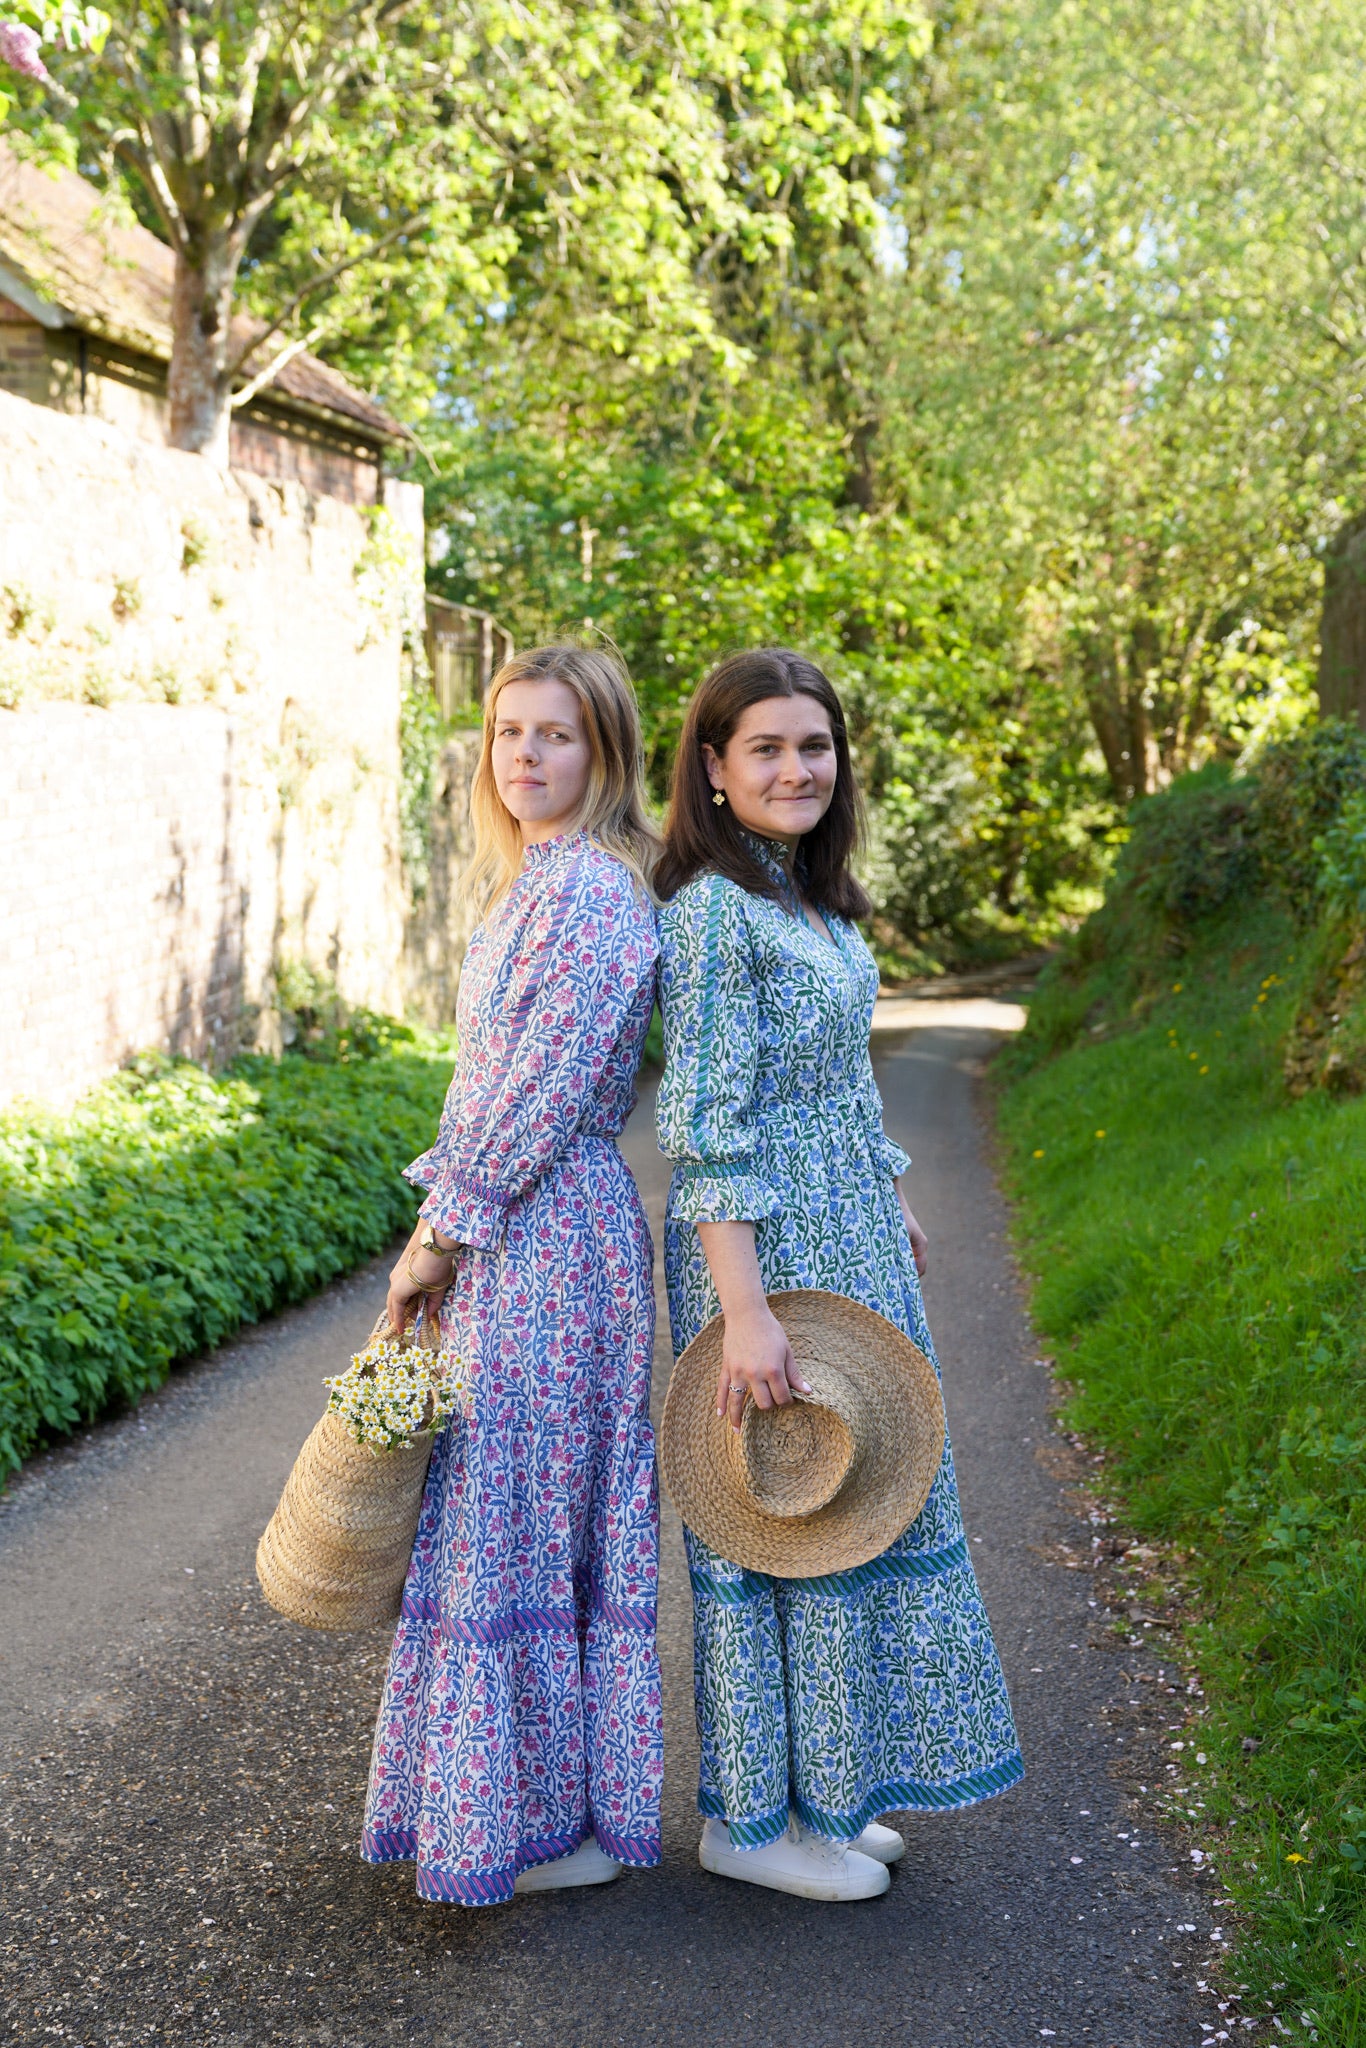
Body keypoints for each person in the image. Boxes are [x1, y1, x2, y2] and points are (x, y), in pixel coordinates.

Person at [655, 646, 1023, 1903]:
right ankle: (750, 1820)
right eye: (765, 746)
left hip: (847, 1232)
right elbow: (705, 1122)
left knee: (858, 1501)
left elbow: (838, 1077)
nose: (795, 766)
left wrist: (893, 1178)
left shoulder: (806, 899)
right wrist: (743, 1311)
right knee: (779, 1520)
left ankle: (828, 1792)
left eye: (813, 745)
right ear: (712, 765)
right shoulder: (710, 911)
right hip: (759, 1251)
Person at [362, 646, 663, 1906]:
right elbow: (486, 1075)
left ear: (605, 754)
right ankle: (518, 1801)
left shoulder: (595, 889)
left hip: (549, 1227)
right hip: (515, 1226)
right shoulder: (529, 881)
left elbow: (532, 1091)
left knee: (524, 1515)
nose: (525, 756)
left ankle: (553, 1820)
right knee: (503, 1510)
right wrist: (453, 1218)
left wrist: (446, 1224)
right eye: (507, 732)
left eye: (557, 735)